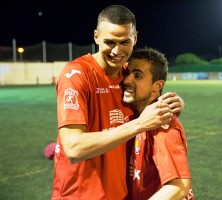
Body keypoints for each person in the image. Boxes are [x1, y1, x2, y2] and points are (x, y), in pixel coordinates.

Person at [51, 5, 184, 200]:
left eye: (125, 42)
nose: (117, 51)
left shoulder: (129, 76)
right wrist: (139, 124)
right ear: (96, 37)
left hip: (121, 194)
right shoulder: (77, 75)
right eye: (109, 42)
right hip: (79, 195)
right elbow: (74, 148)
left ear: (135, 39)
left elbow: (151, 96)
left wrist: (175, 102)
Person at [123, 47, 194, 200]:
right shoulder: (138, 114)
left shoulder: (163, 124)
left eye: (137, 75)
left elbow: (178, 186)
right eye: (127, 73)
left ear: (157, 85)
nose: (127, 80)